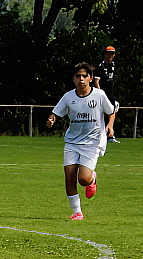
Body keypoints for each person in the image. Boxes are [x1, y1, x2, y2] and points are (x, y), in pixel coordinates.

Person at [46, 62, 115, 221]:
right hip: (72, 142)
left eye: (85, 76)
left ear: (90, 78)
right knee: (69, 177)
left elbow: (111, 111)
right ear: (73, 79)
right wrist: (51, 121)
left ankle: (92, 178)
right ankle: (77, 212)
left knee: (83, 179)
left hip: (92, 143)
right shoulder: (68, 97)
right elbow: (55, 114)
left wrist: (110, 125)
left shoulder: (99, 95)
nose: (81, 79)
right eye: (78, 76)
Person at [93, 45, 120, 143]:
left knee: (112, 111)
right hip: (102, 92)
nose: (110, 55)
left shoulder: (114, 66)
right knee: (100, 113)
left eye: (112, 53)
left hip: (110, 92)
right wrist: (100, 93)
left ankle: (110, 134)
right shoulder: (101, 66)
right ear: (105, 54)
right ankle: (99, 134)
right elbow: (96, 81)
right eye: (109, 53)